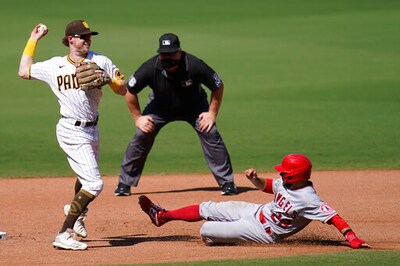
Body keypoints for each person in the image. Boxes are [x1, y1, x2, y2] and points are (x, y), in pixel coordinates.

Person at [18, 20, 127, 250]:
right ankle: (64, 234)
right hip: (70, 129)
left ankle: (76, 211)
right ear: (70, 40)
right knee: (94, 183)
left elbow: (123, 89)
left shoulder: (101, 61)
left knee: (85, 175)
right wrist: (33, 40)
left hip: (92, 129)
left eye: (89, 36)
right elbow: (23, 71)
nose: (88, 39)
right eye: (82, 36)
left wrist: (110, 80)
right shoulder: (54, 66)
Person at [138, 154, 370, 248]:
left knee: (206, 230)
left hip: (263, 233)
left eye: (284, 171)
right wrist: (255, 179)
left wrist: (352, 238)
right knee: (207, 207)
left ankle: (231, 238)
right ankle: (161, 217)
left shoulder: (309, 199)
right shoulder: (286, 182)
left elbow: (334, 217)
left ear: (294, 175)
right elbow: (269, 187)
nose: (280, 173)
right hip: (256, 211)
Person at [115, 33, 237, 196]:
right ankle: (124, 184)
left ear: (180, 51)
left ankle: (227, 183)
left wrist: (211, 114)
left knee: (210, 131)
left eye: (172, 53)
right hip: (160, 107)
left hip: (194, 106)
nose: (168, 57)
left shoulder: (194, 65)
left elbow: (218, 85)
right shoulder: (150, 67)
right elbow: (130, 91)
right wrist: (138, 118)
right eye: (164, 54)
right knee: (141, 134)